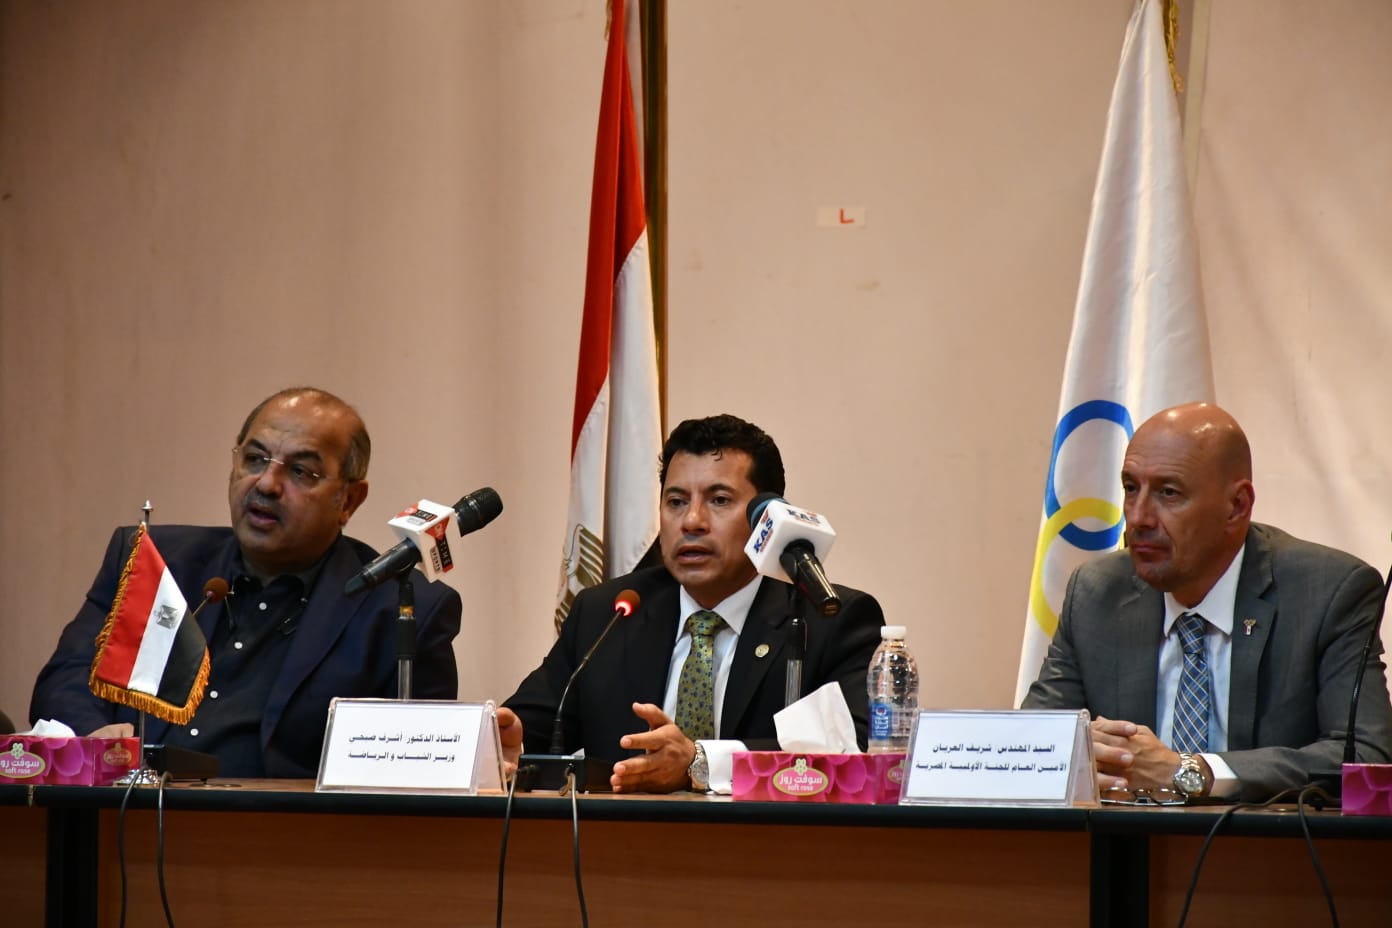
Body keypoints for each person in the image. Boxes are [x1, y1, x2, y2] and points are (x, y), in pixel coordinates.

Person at [30, 387, 463, 778]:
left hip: (275, 832)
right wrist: (95, 739)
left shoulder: (400, 609)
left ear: (348, 499)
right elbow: (66, 680)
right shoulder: (154, 562)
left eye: (301, 472)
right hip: (127, 815)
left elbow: (416, 778)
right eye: (254, 459)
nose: (267, 484)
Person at [1024, 402, 1392, 801]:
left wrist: (1191, 771)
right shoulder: (1096, 594)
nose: (1139, 517)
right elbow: (1028, 748)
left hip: (1265, 841)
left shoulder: (1328, 593)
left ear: (1237, 506)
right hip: (1127, 841)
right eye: (1131, 488)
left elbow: (1366, 760)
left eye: (1168, 493)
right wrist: (1075, 753)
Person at [499, 414, 885, 793]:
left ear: (766, 519)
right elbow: (532, 728)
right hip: (620, 833)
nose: (692, 521)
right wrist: (511, 741)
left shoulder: (829, 620)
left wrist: (699, 762)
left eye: (719, 500)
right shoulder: (607, 612)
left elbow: (855, 752)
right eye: (676, 501)